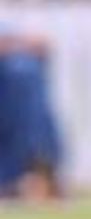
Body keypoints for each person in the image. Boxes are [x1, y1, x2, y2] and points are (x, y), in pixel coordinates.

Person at [0, 27, 65, 201]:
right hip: (8, 117)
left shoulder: (26, 60)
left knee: (42, 152)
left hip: (32, 118)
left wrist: (18, 42)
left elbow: (41, 43)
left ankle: (47, 190)